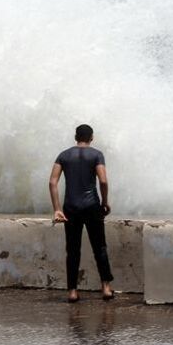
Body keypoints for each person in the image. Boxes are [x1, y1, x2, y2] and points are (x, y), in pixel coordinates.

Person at [48, 124, 114, 303]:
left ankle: (72, 291)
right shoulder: (96, 155)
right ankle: (106, 288)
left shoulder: (63, 155)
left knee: (72, 250)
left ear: (75, 137)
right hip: (92, 206)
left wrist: (57, 209)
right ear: (91, 138)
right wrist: (104, 202)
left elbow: (53, 182)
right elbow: (103, 181)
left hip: (71, 208)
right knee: (99, 247)